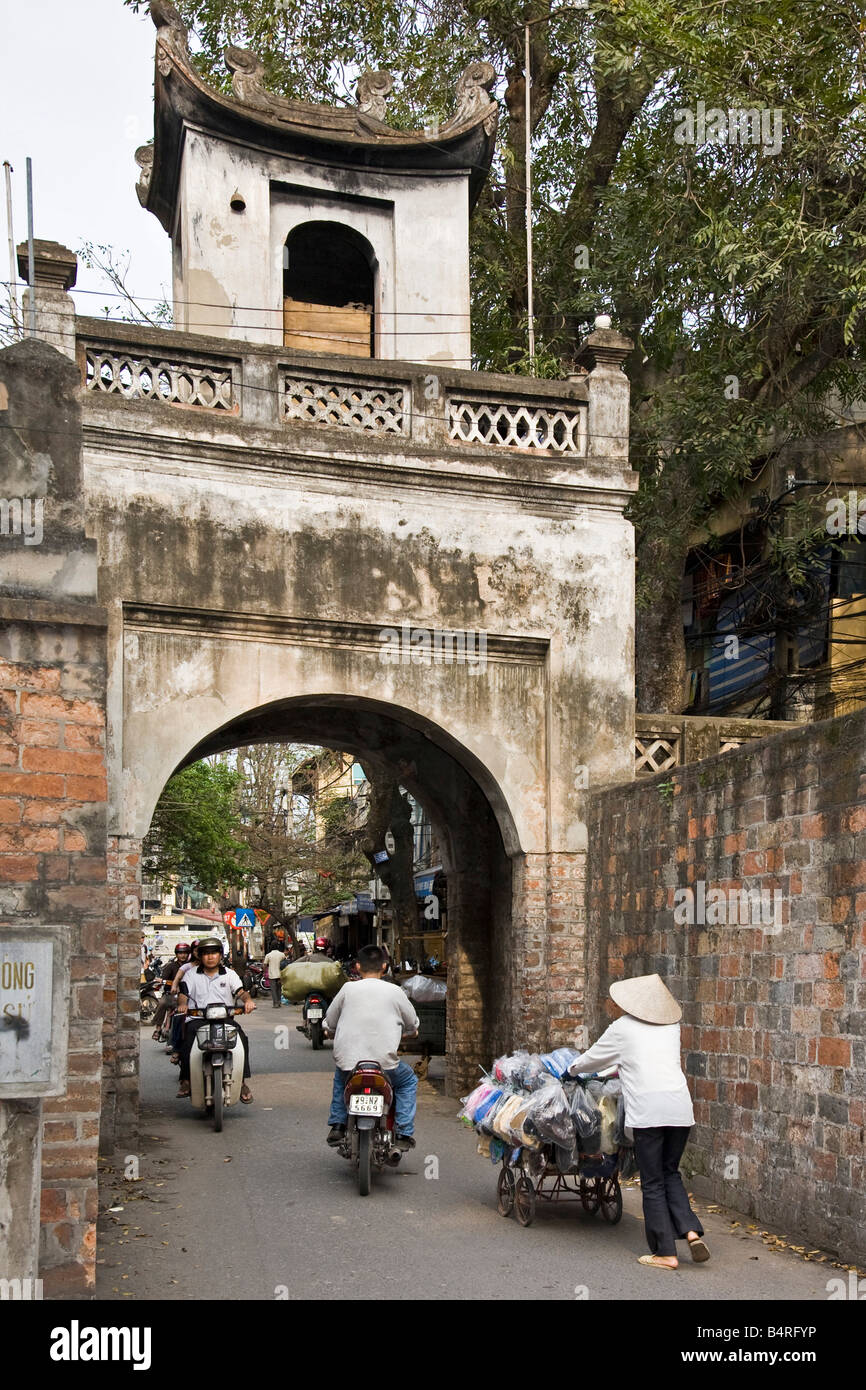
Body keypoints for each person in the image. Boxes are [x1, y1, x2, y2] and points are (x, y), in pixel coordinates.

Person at [565, 973, 710, 1270]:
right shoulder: (672, 1027)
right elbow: (639, 1062)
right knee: (670, 1172)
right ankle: (691, 1231)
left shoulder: (622, 1028)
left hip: (649, 1111)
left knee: (653, 1180)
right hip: (680, 1108)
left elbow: (594, 1059)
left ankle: (666, 1253)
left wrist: (571, 1070)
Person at [324, 944, 419, 1150]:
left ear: (357, 966)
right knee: (408, 1081)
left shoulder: (347, 989)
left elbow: (329, 1021)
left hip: (350, 1064)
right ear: (384, 966)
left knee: (341, 1078)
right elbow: (412, 1023)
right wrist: (412, 1031)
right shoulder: (395, 991)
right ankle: (403, 1133)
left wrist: (329, 1030)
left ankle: (338, 1124)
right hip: (385, 1065)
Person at [175, 937, 256, 1103]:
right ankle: (186, 1080)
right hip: (198, 1020)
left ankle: (241, 1082)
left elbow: (240, 992)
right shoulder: (191, 975)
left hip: (224, 1020)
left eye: (214, 953)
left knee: (242, 1039)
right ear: (200, 956)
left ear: (220, 955)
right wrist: (182, 1005)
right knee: (187, 1040)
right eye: (206, 954)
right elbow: (183, 994)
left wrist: (247, 1001)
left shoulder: (230, 974)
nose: (210, 957)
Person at [150, 942, 191, 1040]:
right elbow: (163, 979)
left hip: (187, 996)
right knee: (163, 1002)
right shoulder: (171, 966)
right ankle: (158, 1028)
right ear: (176, 954)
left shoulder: (190, 967)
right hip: (171, 995)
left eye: (185, 953)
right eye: (180, 953)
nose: (183, 955)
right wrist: (166, 982)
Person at [263, 942, 288, 1008]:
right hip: (280, 974)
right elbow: (285, 962)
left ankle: (275, 1003)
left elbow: (265, 965)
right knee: (279, 989)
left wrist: (264, 971)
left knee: (273, 990)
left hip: (272, 975)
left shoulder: (268, 955)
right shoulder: (281, 954)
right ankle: (279, 1002)